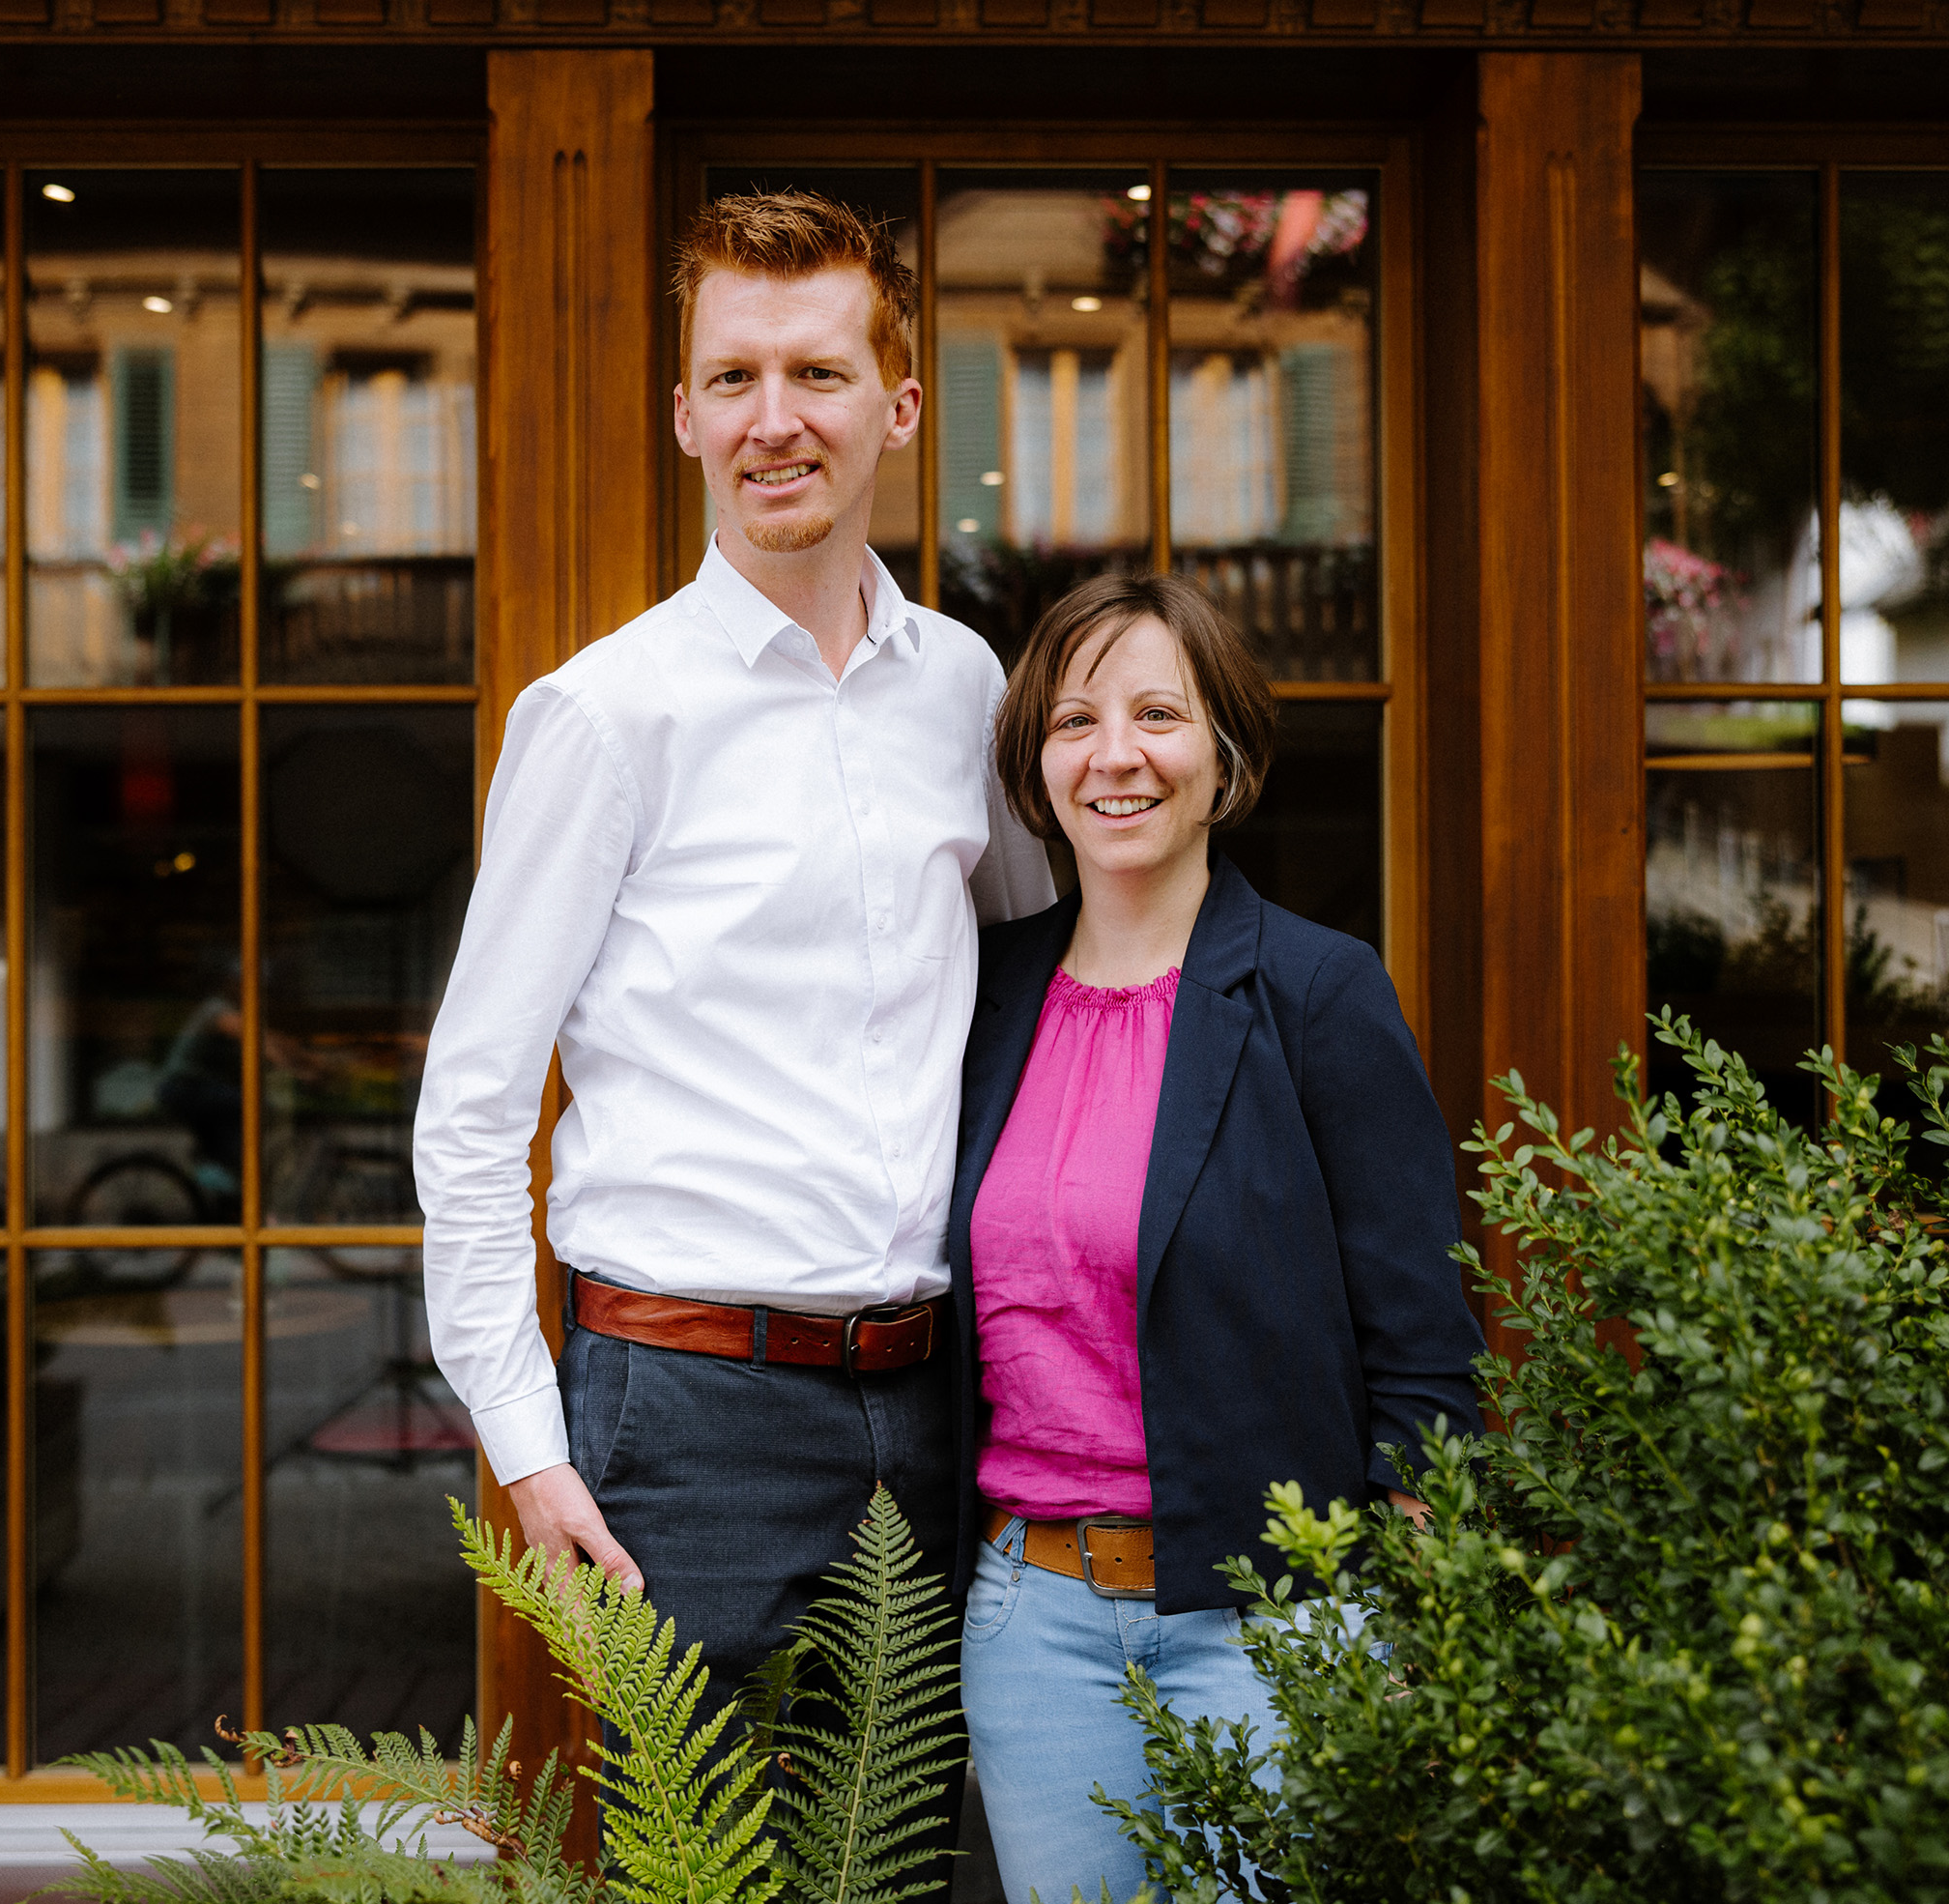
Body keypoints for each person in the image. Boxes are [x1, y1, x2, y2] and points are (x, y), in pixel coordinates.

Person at [412, 191, 1053, 1739]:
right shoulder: (603, 715)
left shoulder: (965, 689)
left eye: (819, 375)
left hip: (930, 1394)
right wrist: (528, 1444)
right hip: (679, 1412)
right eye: (735, 379)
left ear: (897, 408)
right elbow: (473, 1109)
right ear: (683, 414)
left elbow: (1044, 976)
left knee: (895, 1861)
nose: (777, 420)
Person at [946, 573, 1485, 1904]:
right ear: (1033, 764)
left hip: (1270, 1619)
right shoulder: (983, 994)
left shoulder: (1318, 991)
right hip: (1033, 1620)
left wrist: (1399, 1619)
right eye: (1073, 720)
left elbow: (1422, 1353)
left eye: (1155, 713)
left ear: (1224, 752)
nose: (1113, 753)